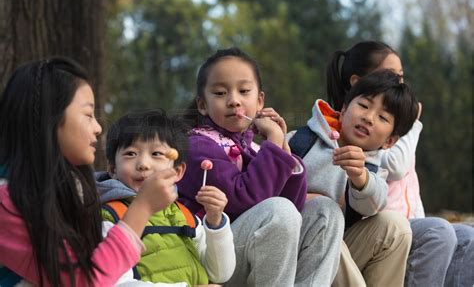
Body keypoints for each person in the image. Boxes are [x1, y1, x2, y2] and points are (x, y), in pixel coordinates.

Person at [0, 57, 181, 286]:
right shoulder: (7, 199)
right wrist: (142, 208)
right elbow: (84, 281)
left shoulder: (70, 188)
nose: (98, 128)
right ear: (50, 118)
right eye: (88, 115)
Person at [178, 47, 345, 286]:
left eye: (244, 91)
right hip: (214, 257)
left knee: (324, 211)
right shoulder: (196, 145)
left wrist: (283, 150)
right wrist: (275, 144)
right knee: (279, 211)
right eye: (220, 93)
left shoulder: (255, 149)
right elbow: (243, 199)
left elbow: (294, 206)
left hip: (247, 247)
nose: (234, 100)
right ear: (203, 105)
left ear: (259, 102)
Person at [326, 40, 474, 286]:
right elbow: (395, 165)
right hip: (378, 229)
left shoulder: (387, 128)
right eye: (389, 75)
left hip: (408, 222)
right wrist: (413, 124)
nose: (398, 84)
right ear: (357, 82)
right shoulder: (356, 133)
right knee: (438, 232)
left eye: (401, 77)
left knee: (467, 236)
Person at [289, 69, 417, 286]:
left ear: (389, 142)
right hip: (293, 244)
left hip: (339, 253)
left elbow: (373, 204)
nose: (368, 118)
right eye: (364, 106)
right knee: (325, 218)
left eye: (382, 117)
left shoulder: (373, 169)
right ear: (344, 109)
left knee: (396, 227)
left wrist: (360, 177)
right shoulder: (301, 140)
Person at [95, 109, 235, 286]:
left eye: (156, 154)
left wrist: (216, 223)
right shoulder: (110, 217)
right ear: (113, 169)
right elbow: (117, 283)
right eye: (130, 153)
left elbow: (220, 273)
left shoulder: (184, 216)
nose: (143, 164)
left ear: (178, 171)